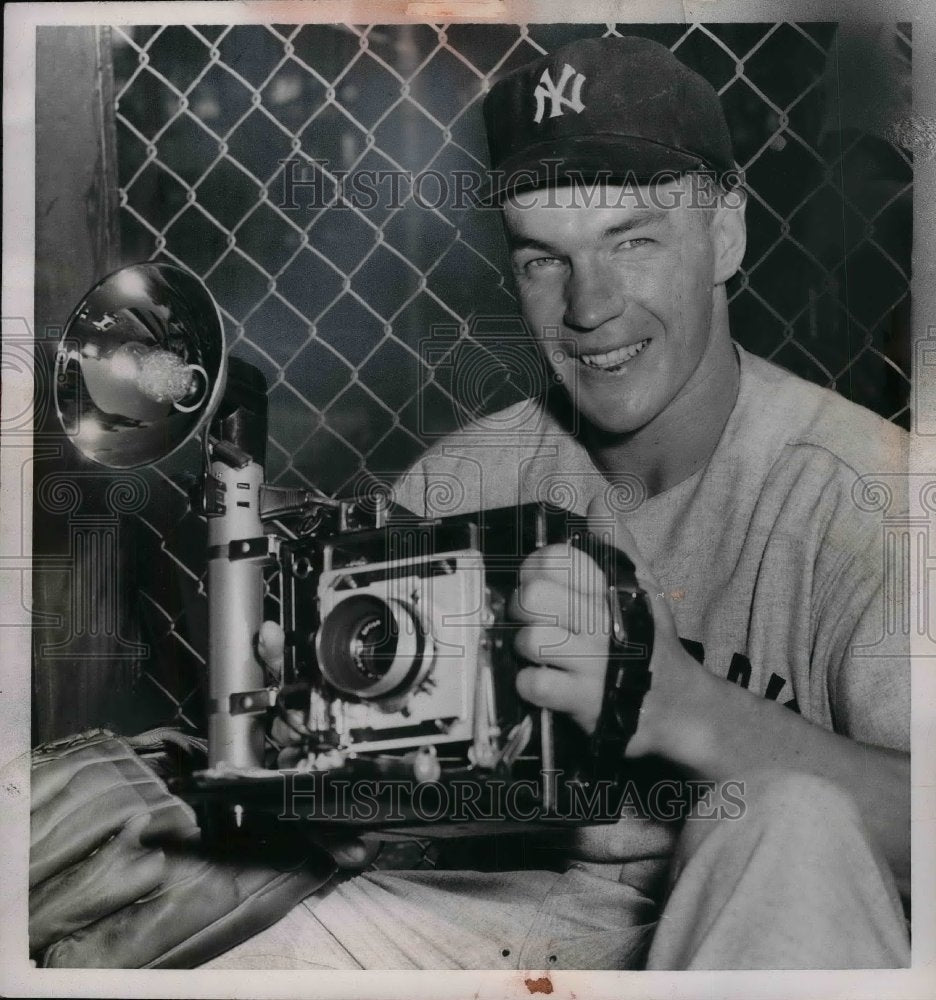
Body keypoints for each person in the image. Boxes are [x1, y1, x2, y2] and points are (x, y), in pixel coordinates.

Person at [30, 35, 910, 971]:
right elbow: (381, 821)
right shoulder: (465, 478)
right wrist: (334, 780)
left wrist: (680, 707)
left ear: (725, 232)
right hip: (465, 911)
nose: (589, 306)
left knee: (794, 820)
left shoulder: (867, 493)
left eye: (633, 240)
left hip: (730, 911)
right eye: (542, 259)